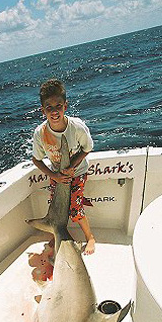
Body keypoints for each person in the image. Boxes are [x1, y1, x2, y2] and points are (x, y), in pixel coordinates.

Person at [32, 79, 95, 255]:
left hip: (78, 172)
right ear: (43, 110)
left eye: (58, 106)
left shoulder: (77, 127)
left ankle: (90, 237)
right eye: (49, 107)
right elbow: (36, 160)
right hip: (57, 175)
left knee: (75, 210)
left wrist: (72, 166)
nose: (54, 111)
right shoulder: (40, 133)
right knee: (56, 211)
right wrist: (55, 176)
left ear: (65, 106)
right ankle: (57, 233)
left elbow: (87, 148)